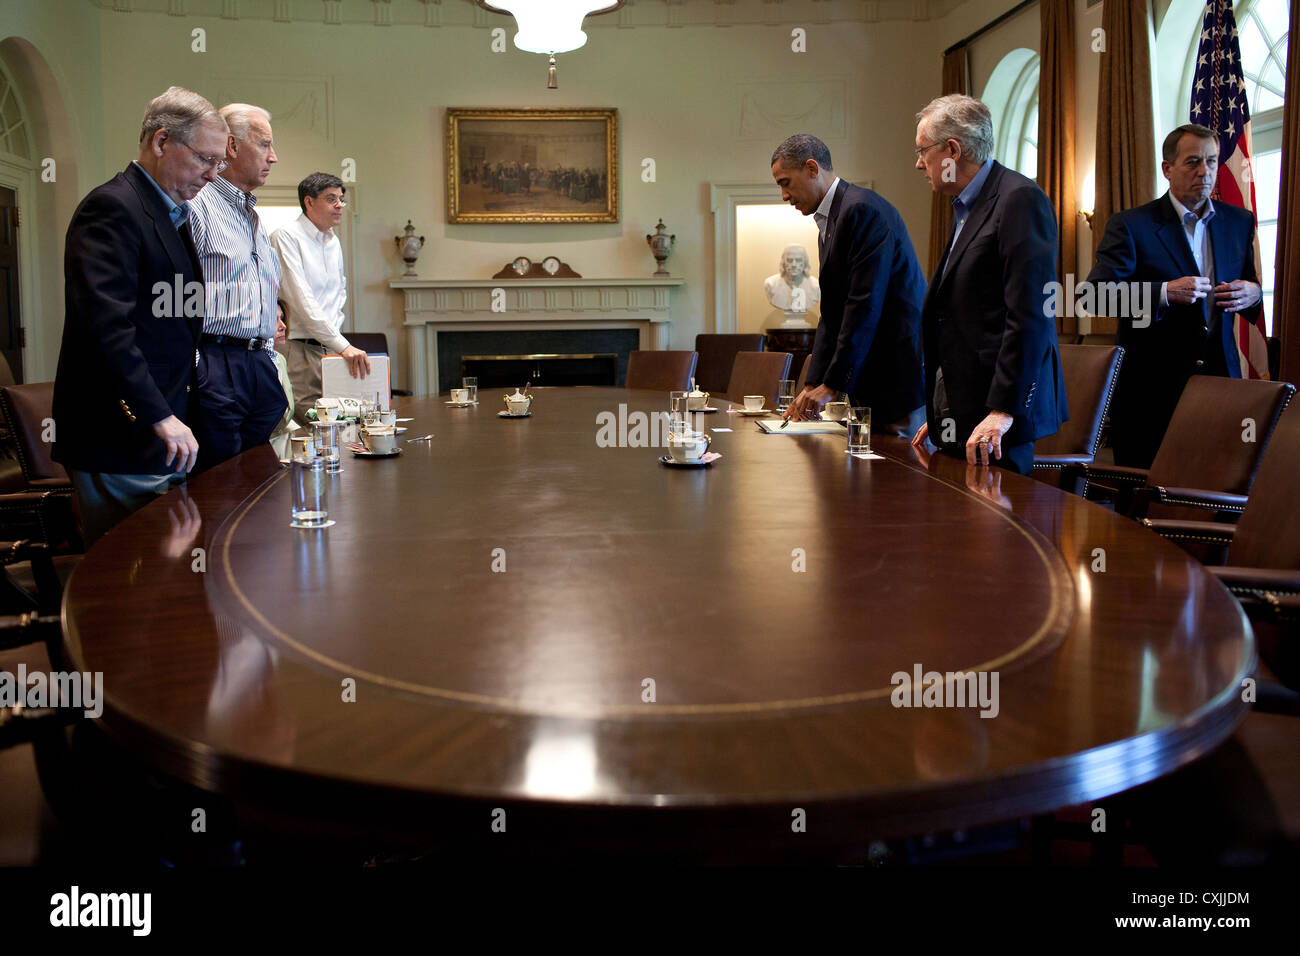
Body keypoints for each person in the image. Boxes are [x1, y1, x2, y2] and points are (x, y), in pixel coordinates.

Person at [51, 87, 228, 544]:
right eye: (205, 160)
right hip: (122, 434)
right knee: (128, 589)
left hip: (162, 430)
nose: (212, 175)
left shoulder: (170, 212)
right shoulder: (112, 207)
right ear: (162, 141)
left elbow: (175, 317)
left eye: (219, 163)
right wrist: (158, 415)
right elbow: (106, 326)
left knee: (162, 582)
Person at [1085, 123, 1264, 468]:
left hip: (1220, 386)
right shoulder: (1132, 225)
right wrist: (1163, 293)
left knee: (1213, 491)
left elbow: (1248, 282)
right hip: (1149, 392)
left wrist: (1253, 293)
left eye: (1211, 161)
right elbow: (1095, 297)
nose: (1205, 171)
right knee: (1143, 505)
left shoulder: (1238, 222)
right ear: (1167, 169)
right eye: (1193, 162)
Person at [909, 95, 1067, 475]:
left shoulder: (1019, 199)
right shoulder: (967, 205)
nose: (918, 164)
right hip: (965, 411)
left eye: (922, 151)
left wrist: (1003, 411)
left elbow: (1030, 315)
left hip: (998, 420)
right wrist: (947, 409)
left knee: (998, 531)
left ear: (952, 150)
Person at [773, 134, 926, 435]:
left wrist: (832, 385)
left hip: (895, 382)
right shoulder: (831, 220)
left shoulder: (861, 210)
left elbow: (863, 304)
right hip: (872, 383)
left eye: (785, 182)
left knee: (901, 478)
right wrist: (812, 384)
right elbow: (831, 313)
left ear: (812, 169)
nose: (784, 195)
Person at [188, 102, 286, 471]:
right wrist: (197, 363)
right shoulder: (197, 205)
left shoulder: (252, 216)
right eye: (264, 145)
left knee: (260, 482)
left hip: (259, 362)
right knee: (221, 483)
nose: (273, 157)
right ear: (231, 146)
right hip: (217, 360)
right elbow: (173, 292)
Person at [270, 171, 370, 424]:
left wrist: (336, 344)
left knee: (336, 425)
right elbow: (301, 300)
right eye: (331, 198)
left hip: (330, 349)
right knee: (311, 425)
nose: (339, 205)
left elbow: (339, 294)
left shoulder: (332, 241)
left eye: (341, 199)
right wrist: (343, 345)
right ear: (309, 201)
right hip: (300, 348)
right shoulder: (286, 236)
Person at [269, 301, 299, 460]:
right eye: (275, 320)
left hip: (281, 448)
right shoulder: (252, 363)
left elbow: (286, 417)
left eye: (282, 319)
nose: (283, 326)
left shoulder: (280, 359)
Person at [763, 244, 821, 313]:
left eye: (798, 260)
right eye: (789, 260)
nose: (794, 265)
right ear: (783, 262)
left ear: (805, 262)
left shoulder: (816, 286)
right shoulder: (771, 284)